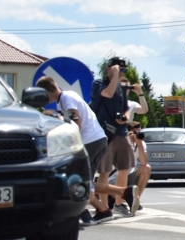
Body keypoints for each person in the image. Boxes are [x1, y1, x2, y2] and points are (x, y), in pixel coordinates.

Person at [37, 76, 106, 223]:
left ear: (47, 92)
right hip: (96, 138)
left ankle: (84, 211)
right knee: (84, 177)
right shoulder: (66, 98)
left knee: (78, 176)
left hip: (89, 140)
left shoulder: (66, 98)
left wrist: (58, 118)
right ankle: (101, 210)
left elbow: (76, 122)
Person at [90, 57, 136, 219]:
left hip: (120, 131)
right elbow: (108, 93)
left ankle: (119, 202)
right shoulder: (98, 84)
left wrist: (124, 117)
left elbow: (126, 109)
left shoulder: (122, 88)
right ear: (109, 68)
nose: (121, 72)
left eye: (123, 70)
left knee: (124, 167)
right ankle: (103, 206)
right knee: (104, 170)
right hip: (104, 132)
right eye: (119, 69)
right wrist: (115, 76)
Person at [127, 122, 151, 215]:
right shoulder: (122, 140)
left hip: (130, 176)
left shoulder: (140, 143)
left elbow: (144, 162)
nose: (137, 134)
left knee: (146, 168)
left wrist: (139, 144)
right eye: (134, 132)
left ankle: (135, 200)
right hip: (115, 178)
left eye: (139, 132)